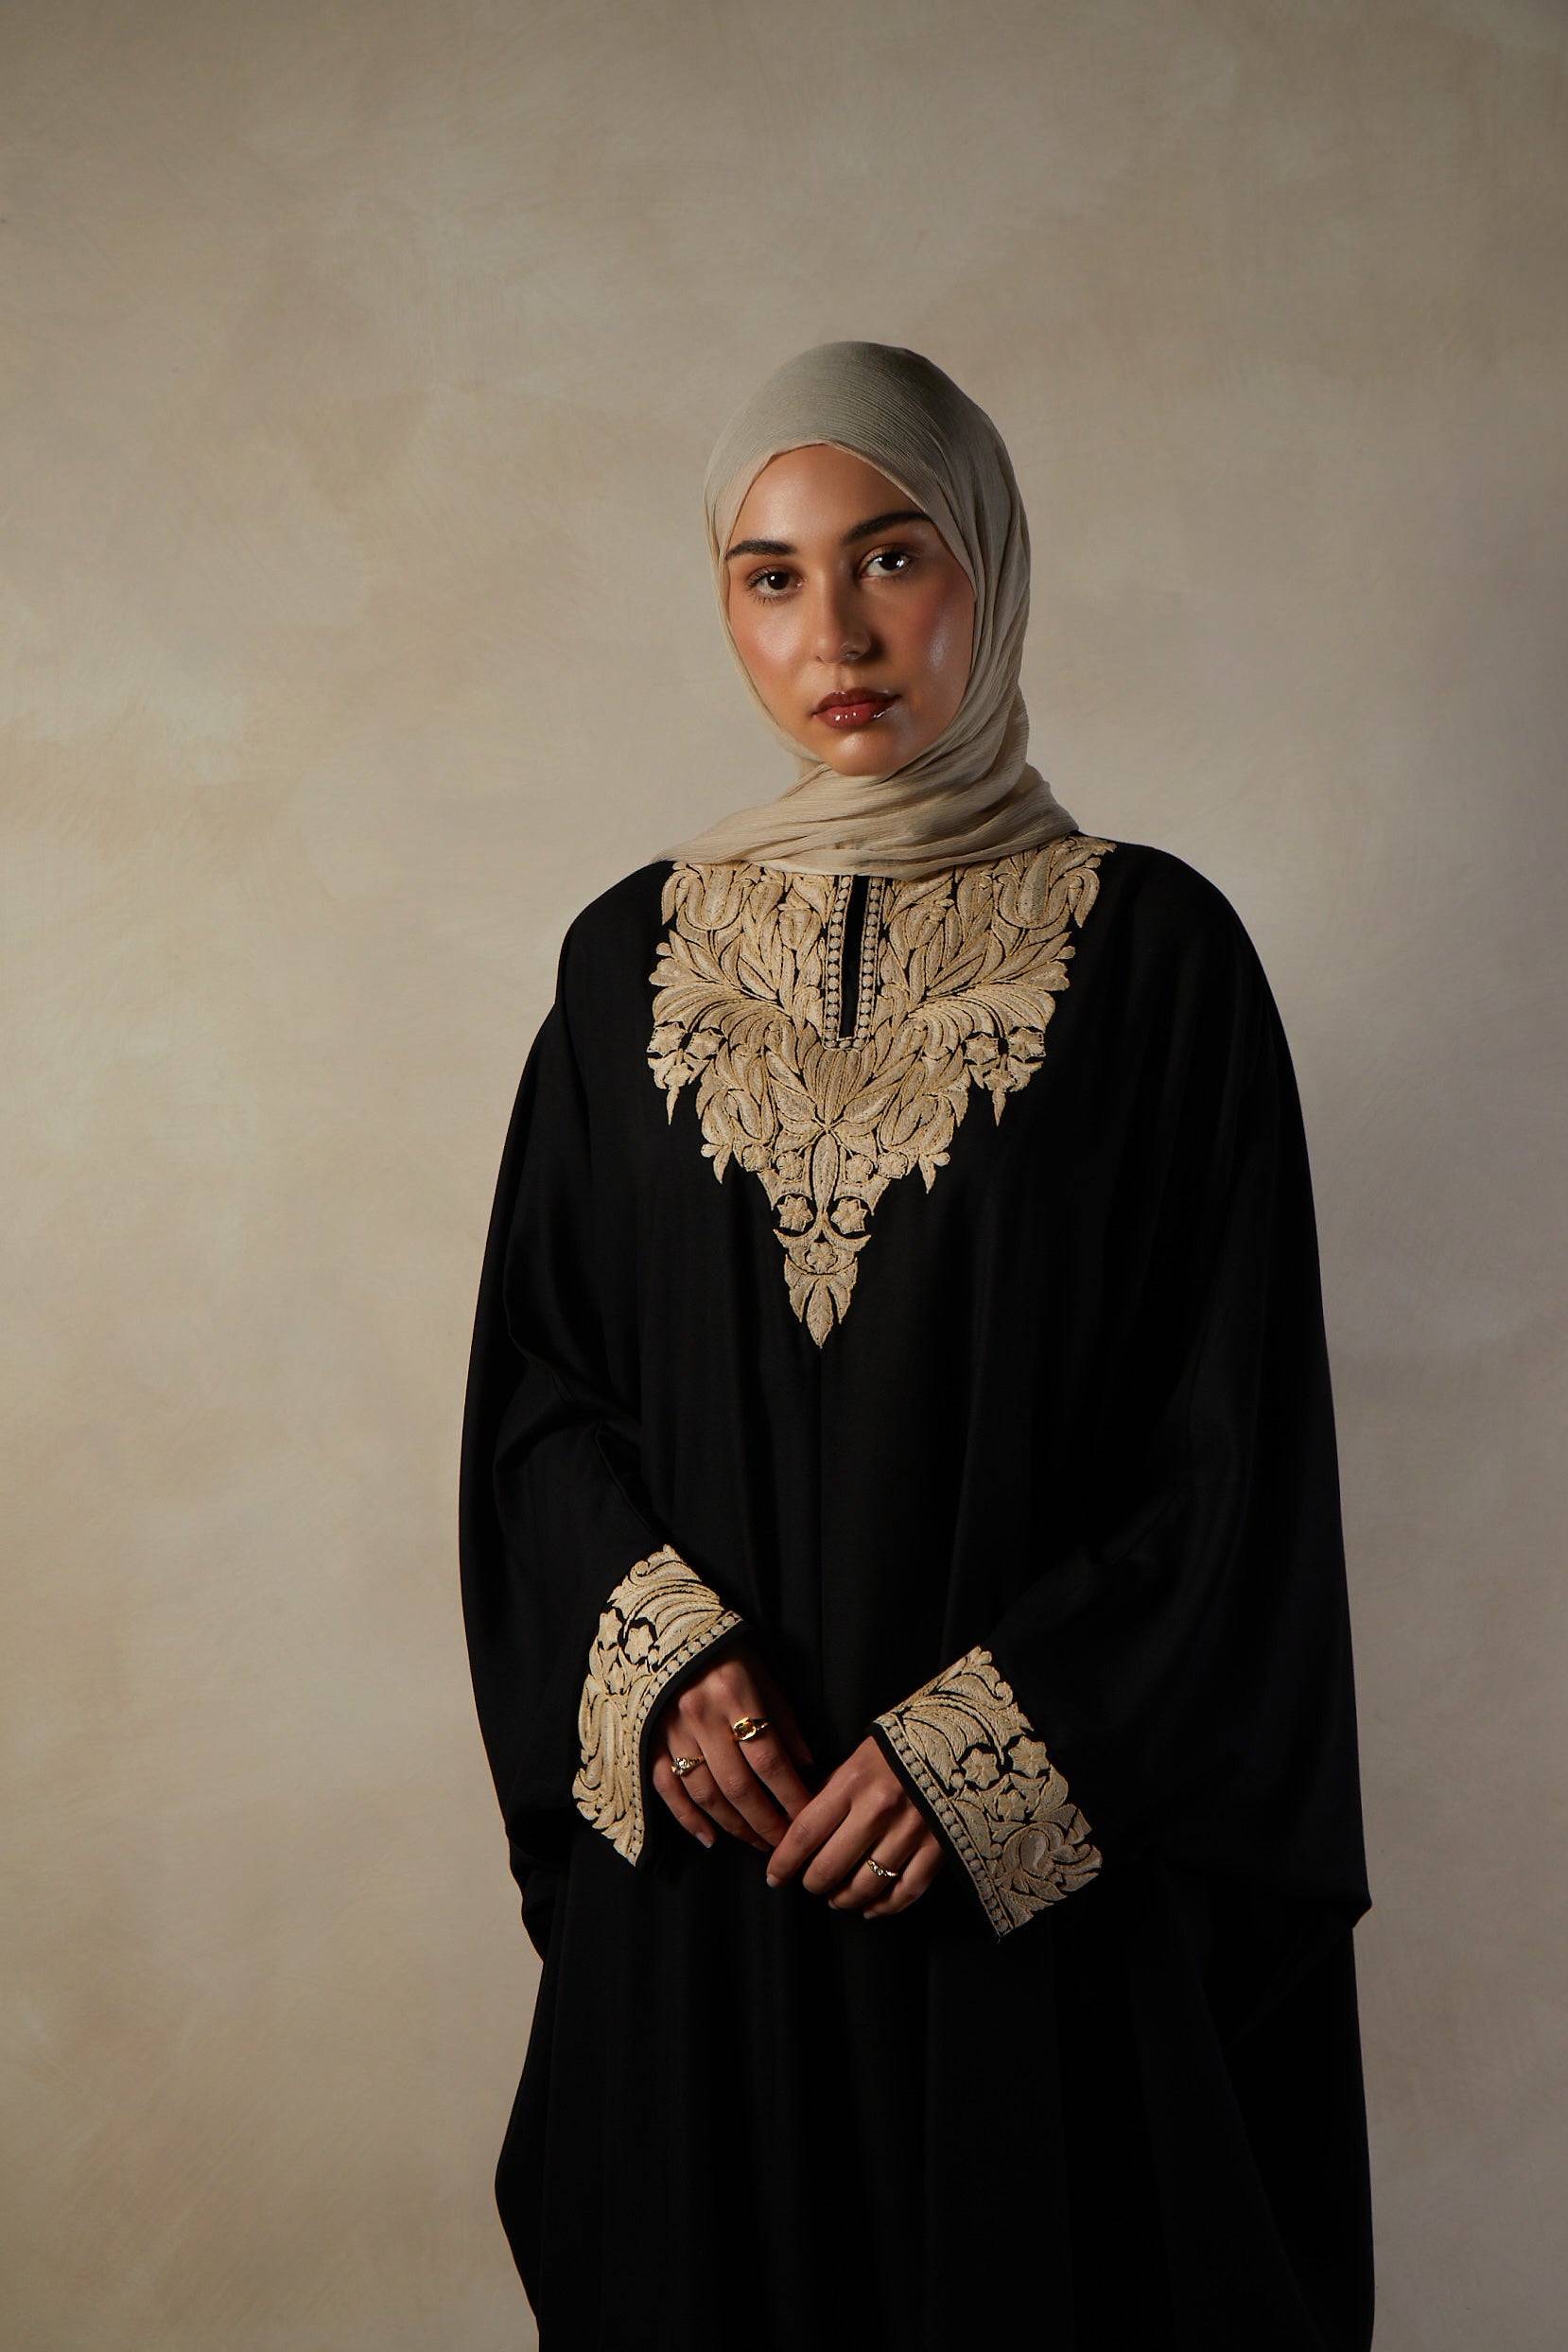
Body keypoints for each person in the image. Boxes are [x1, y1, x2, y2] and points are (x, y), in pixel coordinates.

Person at [459, 340, 1374, 2351]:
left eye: (892, 554)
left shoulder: (1159, 961)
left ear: (990, 562)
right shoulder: (620, 964)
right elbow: (540, 1400)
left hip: (1039, 1911)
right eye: (769, 575)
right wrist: (662, 1657)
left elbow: (1235, 1457)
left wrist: (999, 1740)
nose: (838, 633)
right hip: (718, 1885)